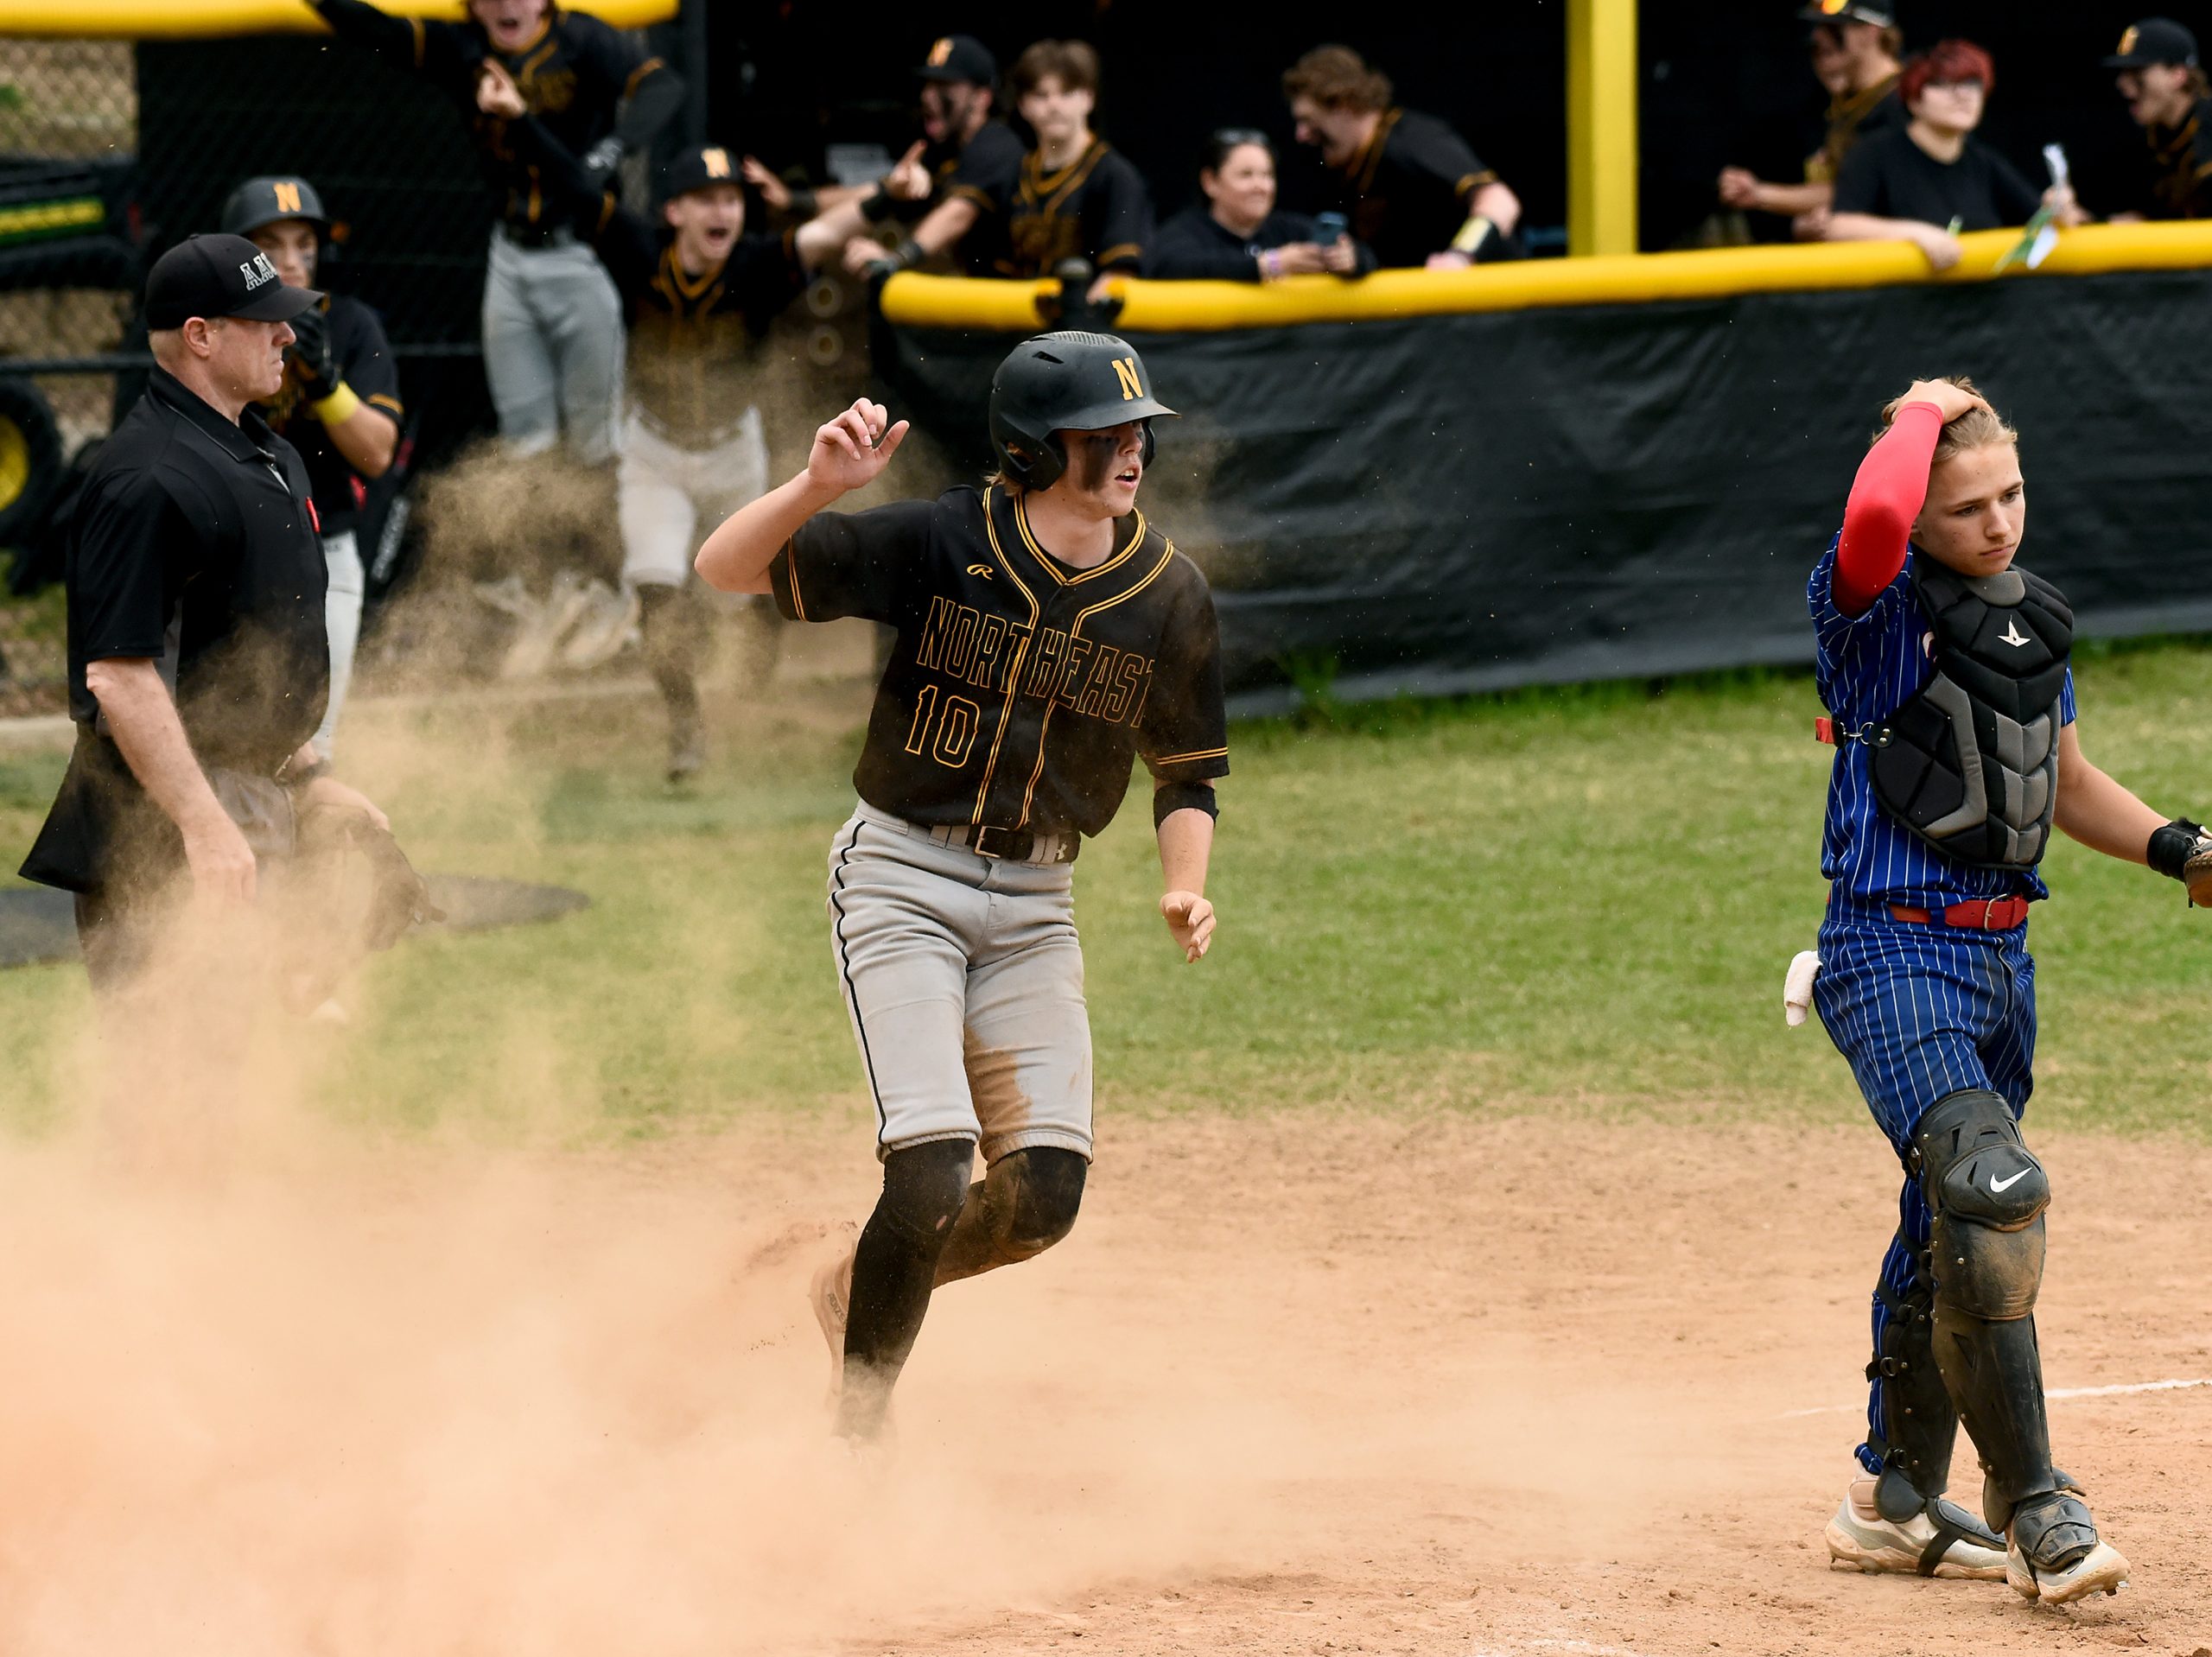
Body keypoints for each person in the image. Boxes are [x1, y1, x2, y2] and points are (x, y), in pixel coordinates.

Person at [693, 333, 1228, 1444]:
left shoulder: (1167, 593)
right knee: (932, 1169)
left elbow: (1187, 770)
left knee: (1042, 1199)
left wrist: (1187, 886)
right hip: (902, 878)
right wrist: (817, 487)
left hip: (1038, 908)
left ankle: (858, 1288)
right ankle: (857, 1432)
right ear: (1038, 451)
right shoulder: (945, 537)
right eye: (1105, 434)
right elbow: (726, 570)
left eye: (1138, 431)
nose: (1133, 449)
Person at [1808, 375, 2208, 1603]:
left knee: (1949, 1222)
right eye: (1968, 506)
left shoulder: (2025, 618)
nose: (1997, 523)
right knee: (1993, 1189)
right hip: (1890, 949)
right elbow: (1871, 520)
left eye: (2012, 494)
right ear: (1921, 516)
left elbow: (2066, 780)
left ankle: (1893, 1494)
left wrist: (2185, 851)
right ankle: (2043, 1511)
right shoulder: (1867, 612)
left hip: (1997, 962)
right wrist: (1916, 415)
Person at [486, 69, 894, 784]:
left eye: (732, 198)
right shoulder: (638, 250)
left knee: (758, 588)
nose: (723, 211)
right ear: (674, 211)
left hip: (734, 451)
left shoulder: (760, 264)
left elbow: (828, 231)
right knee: (657, 586)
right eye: (705, 198)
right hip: (653, 452)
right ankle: (686, 727)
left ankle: (752, 690)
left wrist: (891, 195)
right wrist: (520, 120)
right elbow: (574, 187)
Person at [16, 234, 392, 993]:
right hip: (155, 833)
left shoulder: (265, 456)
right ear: (200, 337)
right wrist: (205, 825)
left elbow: (245, 662)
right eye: (265, 320)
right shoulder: (147, 480)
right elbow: (120, 679)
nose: (288, 333)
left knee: (250, 1067)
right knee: (175, 1078)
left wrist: (311, 780)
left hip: (243, 806)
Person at [302, 0, 683, 467]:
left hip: (580, 251)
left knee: (596, 441)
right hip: (510, 254)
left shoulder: (580, 39)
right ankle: (533, 541)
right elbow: (376, 29)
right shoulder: (464, 47)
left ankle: (602, 539)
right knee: (526, 439)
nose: (506, 4)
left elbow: (662, 84)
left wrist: (613, 149)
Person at [222, 175, 403, 762]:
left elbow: (376, 454)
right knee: (226, 729)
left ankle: (305, 855)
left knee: (309, 750)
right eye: (270, 245)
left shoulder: (350, 325)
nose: (292, 261)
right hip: (228, 556)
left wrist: (325, 381)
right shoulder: (213, 330)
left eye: (305, 243)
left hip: (327, 552)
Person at [1826, 40, 2082, 270]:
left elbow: (2040, 217)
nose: (1963, 96)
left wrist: (2057, 210)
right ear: (1914, 100)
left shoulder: (1982, 161)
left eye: (1972, 84)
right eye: (1943, 84)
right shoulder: (1874, 152)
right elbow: (1840, 227)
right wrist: (1917, 234)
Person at [1281, 44, 1521, 269]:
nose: (1301, 135)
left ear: (1344, 104)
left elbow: (1499, 200)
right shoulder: (1350, 164)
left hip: (1496, 302)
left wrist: (1461, 255)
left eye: (1309, 121)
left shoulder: (1411, 141)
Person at [825, 34, 1029, 282]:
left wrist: (894, 260)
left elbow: (958, 214)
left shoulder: (997, 144)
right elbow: (878, 192)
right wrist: (792, 200)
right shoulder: (943, 151)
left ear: (981, 97)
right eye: (928, 85)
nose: (927, 96)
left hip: (1014, 301)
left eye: (944, 86)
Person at [1718, 2, 1905, 239]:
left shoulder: (1907, 101)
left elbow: (1861, 191)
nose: (1818, 36)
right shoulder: (1839, 101)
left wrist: (1760, 194)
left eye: (1833, 27)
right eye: (1818, 26)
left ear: (1871, 31)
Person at [988, 40, 1152, 293]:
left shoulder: (1115, 175)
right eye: (1041, 95)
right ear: (1023, 105)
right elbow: (997, 273)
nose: (1054, 105)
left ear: (1088, 98)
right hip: (1020, 324)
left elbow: (1121, 273)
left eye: (1066, 93)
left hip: (1086, 328)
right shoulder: (1012, 175)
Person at [1146, 129, 1373, 282]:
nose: (1261, 186)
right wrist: (1271, 264)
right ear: (1210, 182)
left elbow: (1368, 257)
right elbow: (1169, 265)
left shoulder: (1290, 229)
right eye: (1246, 175)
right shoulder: (1183, 231)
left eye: (1267, 175)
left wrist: (1351, 259)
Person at [2103, 18, 2212, 222]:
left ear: (2178, 75)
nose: (2122, 83)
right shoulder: (2152, 140)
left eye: (2137, 71)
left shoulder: (2206, 129)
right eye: (2123, 72)